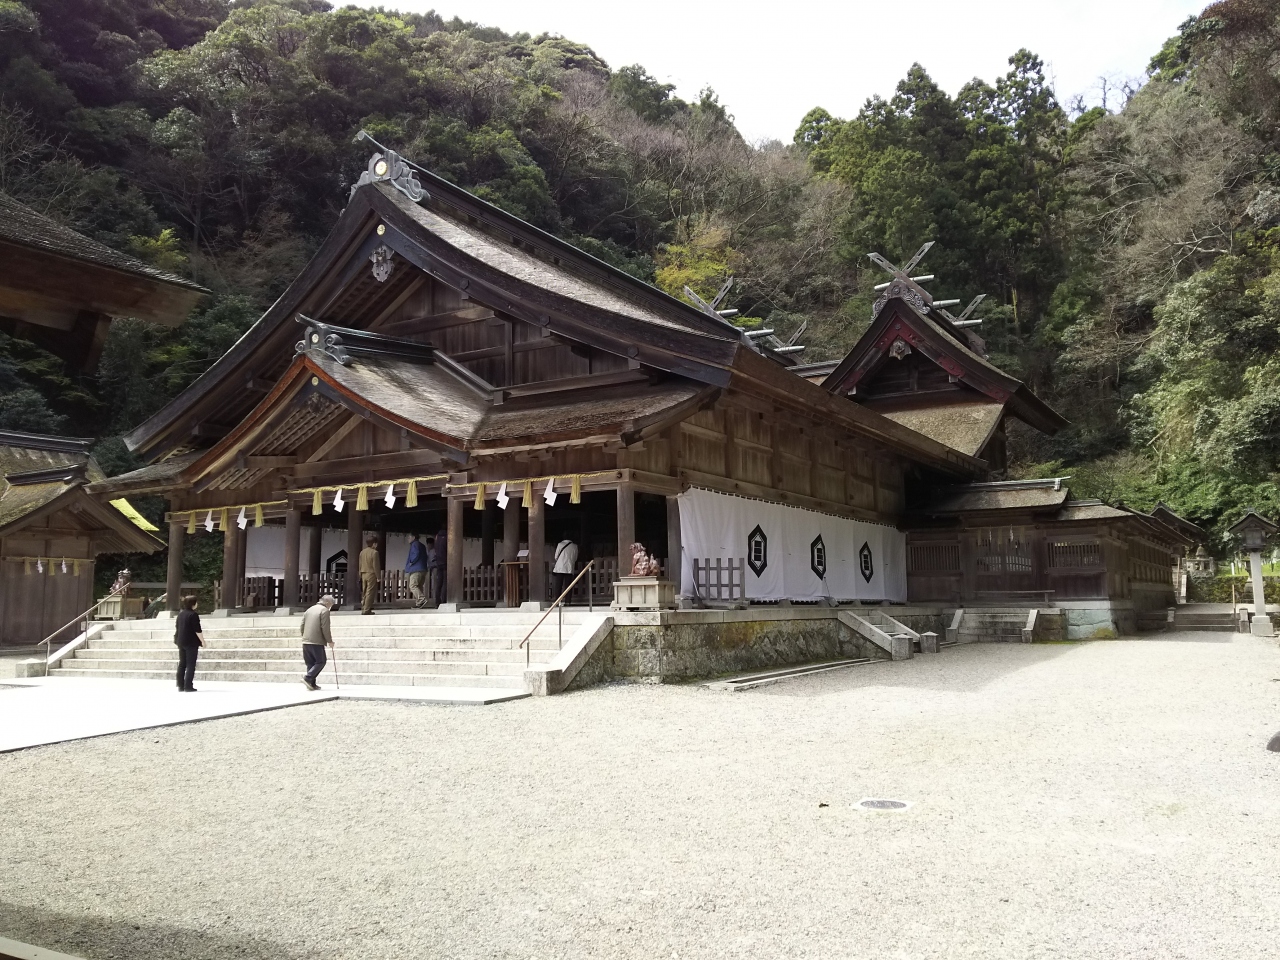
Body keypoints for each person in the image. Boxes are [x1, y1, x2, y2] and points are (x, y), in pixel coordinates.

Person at [300, 594, 335, 690]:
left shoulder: (309, 609)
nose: (330, 606)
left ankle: (311, 684)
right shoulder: (324, 611)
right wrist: (330, 641)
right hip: (316, 641)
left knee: (310, 663)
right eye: (331, 604)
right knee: (321, 661)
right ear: (327, 602)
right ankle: (308, 678)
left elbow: (302, 625)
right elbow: (325, 628)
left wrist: (304, 636)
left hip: (306, 641)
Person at [173, 595, 204, 692]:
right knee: (191, 664)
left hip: (180, 641)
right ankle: (188, 686)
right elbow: (197, 630)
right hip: (191, 642)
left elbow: (177, 628)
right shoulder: (193, 615)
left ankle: (180, 685)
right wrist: (203, 641)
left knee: (182, 664)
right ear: (193, 604)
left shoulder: (180, 614)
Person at [359, 534, 380, 615]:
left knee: (364, 592)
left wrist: (360, 574)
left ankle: (363, 608)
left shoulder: (362, 552)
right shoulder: (374, 552)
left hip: (363, 573)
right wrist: (378, 576)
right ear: (374, 544)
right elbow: (376, 566)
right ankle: (367, 609)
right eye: (376, 543)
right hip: (371, 574)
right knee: (370, 592)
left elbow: (360, 564)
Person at [405, 533, 428, 605]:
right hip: (423, 568)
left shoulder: (414, 544)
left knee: (413, 586)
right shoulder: (422, 545)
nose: (408, 539)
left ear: (414, 537)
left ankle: (421, 599)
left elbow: (416, 553)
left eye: (409, 537)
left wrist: (411, 562)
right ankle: (419, 603)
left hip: (416, 569)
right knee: (419, 586)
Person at [432, 527, 447, 605]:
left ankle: (437, 601)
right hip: (445, 562)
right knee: (445, 582)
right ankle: (444, 600)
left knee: (439, 583)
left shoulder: (437, 537)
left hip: (438, 562)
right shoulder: (447, 537)